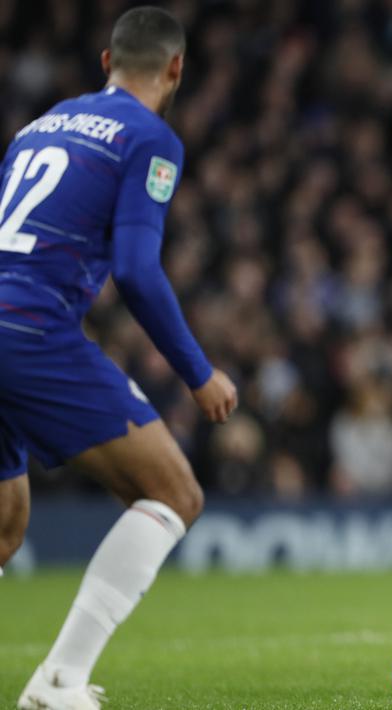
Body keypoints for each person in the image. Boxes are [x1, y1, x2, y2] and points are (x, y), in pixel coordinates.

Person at [0, 7, 237, 710]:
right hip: (28, 327)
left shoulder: (37, 126)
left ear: (105, 62)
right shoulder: (149, 138)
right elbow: (136, 269)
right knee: (175, 494)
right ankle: (60, 682)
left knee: (6, 526)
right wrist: (199, 373)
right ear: (176, 69)